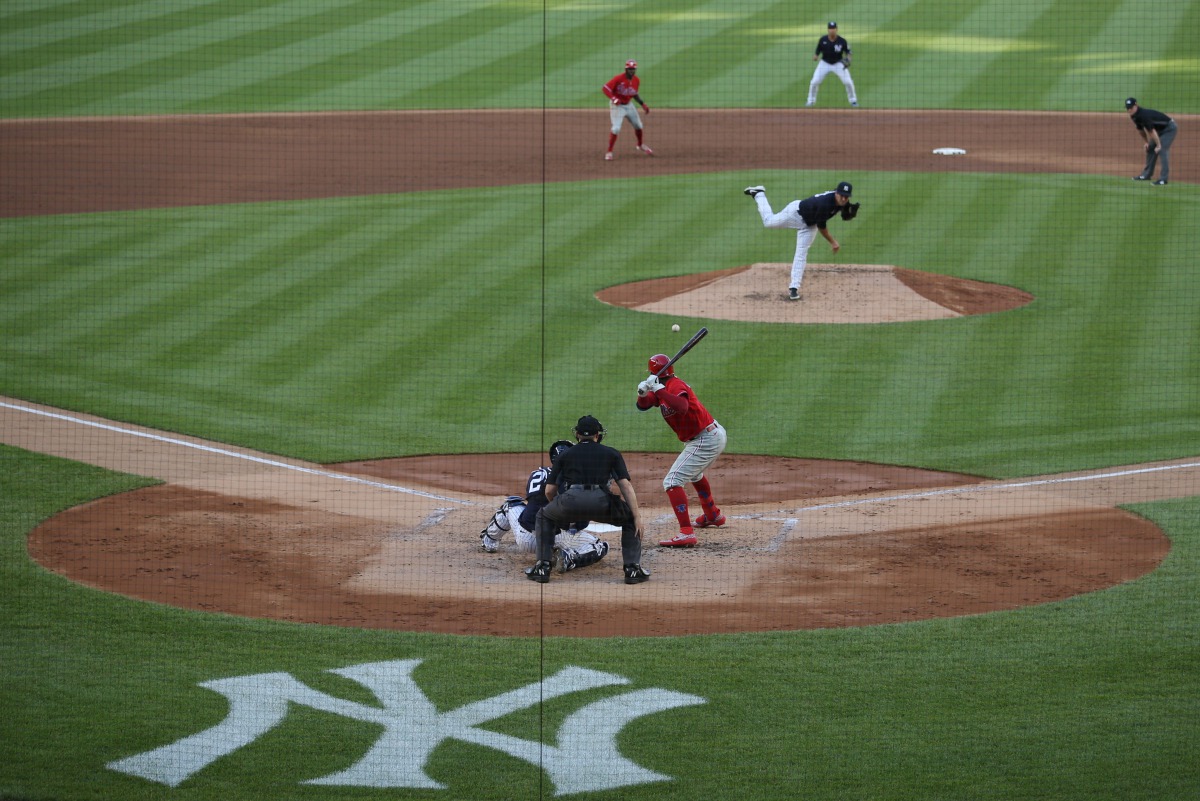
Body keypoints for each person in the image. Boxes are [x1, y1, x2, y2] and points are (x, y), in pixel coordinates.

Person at [526, 416, 650, 584]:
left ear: (577, 434)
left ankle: (543, 567)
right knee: (629, 519)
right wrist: (636, 517)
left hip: (570, 502)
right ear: (597, 434)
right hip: (602, 502)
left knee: (543, 516)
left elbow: (549, 490)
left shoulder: (565, 454)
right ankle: (632, 569)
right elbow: (625, 486)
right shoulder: (611, 453)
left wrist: (558, 509)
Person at [635, 355, 727, 548]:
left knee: (672, 481)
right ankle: (713, 515)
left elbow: (682, 407)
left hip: (706, 438)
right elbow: (642, 406)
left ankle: (686, 532)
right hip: (705, 437)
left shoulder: (675, 385)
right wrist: (643, 392)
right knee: (694, 474)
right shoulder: (660, 386)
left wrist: (660, 390)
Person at [480, 440, 609, 573]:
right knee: (600, 545)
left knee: (511, 504)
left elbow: (534, 504)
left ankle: (489, 541)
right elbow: (581, 523)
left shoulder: (537, 474)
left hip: (525, 540)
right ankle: (569, 558)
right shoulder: (578, 480)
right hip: (558, 540)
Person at [742, 181, 859, 301]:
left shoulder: (842, 200)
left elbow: (844, 213)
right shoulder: (824, 204)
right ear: (836, 193)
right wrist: (833, 242)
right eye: (842, 195)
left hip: (809, 226)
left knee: (801, 253)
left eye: (846, 196)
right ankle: (759, 194)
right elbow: (822, 227)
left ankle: (794, 288)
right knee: (769, 222)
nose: (844, 198)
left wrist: (848, 213)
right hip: (795, 213)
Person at [602, 60, 653, 161]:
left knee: (638, 125)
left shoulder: (636, 80)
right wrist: (613, 98)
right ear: (626, 69)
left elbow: (634, 93)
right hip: (617, 106)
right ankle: (609, 152)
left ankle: (640, 145)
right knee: (616, 128)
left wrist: (642, 104)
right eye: (629, 69)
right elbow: (605, 88)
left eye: (633, 69)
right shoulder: (618, 78)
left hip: (629, 105)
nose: (631, 71)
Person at [1126, 98, 1177, 185]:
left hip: (1169, 128)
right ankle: (1146, 175)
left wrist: (1159, 145)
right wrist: (1146, 142)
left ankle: (1163, 179)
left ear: (1136, 105)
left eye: (1131, 107)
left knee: (1162, 150)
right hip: (1159, 131)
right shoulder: (1133, 116)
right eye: (1128, 108)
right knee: (1150, 148)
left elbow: (1151, 131)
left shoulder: (1143, 115)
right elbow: (1140, 130)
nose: (1129, 110)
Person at [807, 22, 857, 108]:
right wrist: (815, 56)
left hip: (838, 63)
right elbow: (817, 51)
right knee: (814, 81)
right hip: (824, 63)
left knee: (848, 82)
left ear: (836, 29)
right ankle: (810, 101)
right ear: (828, 30)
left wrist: (849, 59)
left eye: (833, 28)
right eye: (830, 28)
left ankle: (853, 101)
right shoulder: (823, 40)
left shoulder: (842, 41)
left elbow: (848, 52)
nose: (832, 30)